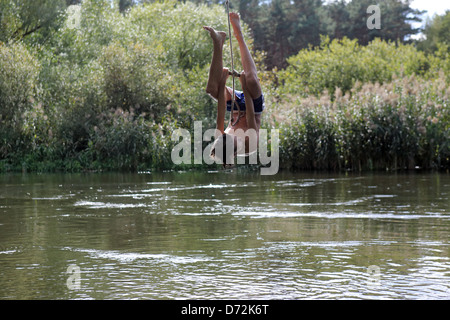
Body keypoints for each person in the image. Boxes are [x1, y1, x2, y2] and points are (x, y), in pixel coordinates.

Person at [203, 12, 265, 168]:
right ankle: (239, 35)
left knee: (211, 89)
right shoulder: (250, 145)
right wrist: (243, 85)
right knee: (251, 79)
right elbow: (250, 114)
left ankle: (218, 41)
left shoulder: (221, 139)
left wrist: (223, 82)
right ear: (235, 150)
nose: (231, 135)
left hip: (235, 106)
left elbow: (221, 111)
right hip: (254, 106)